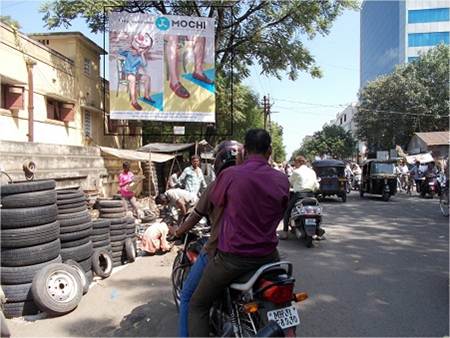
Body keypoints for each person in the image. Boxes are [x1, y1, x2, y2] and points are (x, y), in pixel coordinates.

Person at [188, 129, 289, 337]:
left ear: (243, 151)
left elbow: (214, 205)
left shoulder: (230, 175)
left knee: (197, 304)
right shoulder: (281, 180)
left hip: (232, 259)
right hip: (269, 256)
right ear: (269, 151)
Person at [170, 140, 243, 337]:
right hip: (261, 251)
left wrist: (177, 232)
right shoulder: (253, 182)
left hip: (223, 251)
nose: (195, 163)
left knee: (188, 298)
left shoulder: (216, 185)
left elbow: (195, 216)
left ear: (219, 161)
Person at [280, 155, 320, 240]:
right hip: (311, 195)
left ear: (299, 162)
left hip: (299, 196)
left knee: (287, 211)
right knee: (317, 211)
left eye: (295, 163)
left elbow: (289, 182)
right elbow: (316, 186)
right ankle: (318, 228)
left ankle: (285, 232)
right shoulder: (312, 171)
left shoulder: (296, 172)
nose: (294, 165)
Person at [118, 33, 155, 111]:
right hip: (127, 74)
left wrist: (142, 54)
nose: (140, 49)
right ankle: (134, 101)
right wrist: (129, 47)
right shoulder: (128, 53)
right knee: (133, 79)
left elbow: (144, 64)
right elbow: (120, 51)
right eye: (140, 47)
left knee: (147, 77)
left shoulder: (139, 57)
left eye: (143, 48)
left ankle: (146, 96)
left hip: (135, 74)